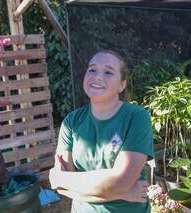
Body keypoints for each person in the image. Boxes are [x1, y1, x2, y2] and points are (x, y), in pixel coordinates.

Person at [49, 50, 154, 213]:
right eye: (92, 69)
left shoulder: (137, 117)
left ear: (122, 84)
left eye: (108, 72)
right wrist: (121, 193)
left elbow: (120, 182)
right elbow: (62, 188)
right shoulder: (71, 122)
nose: (97, 76)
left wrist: (61, 178)